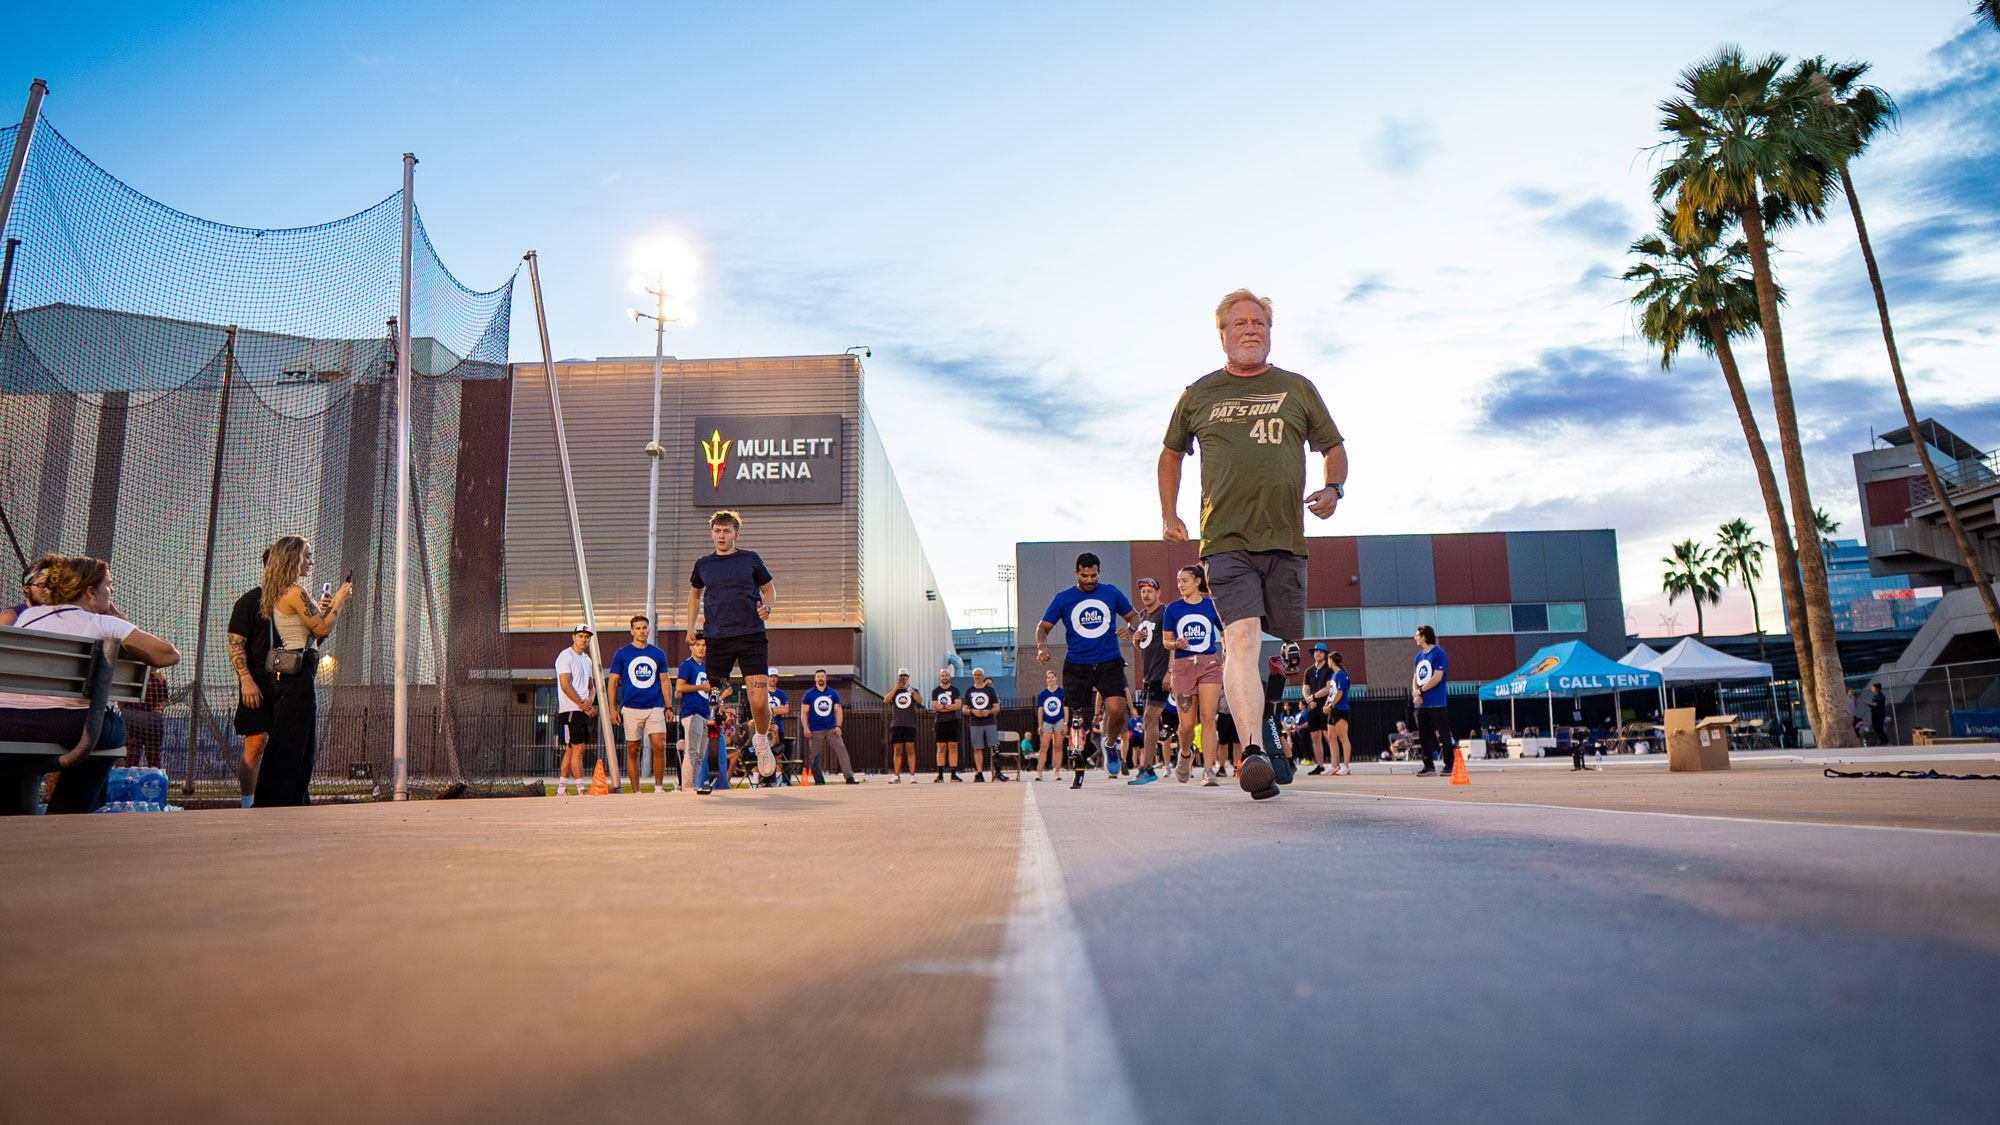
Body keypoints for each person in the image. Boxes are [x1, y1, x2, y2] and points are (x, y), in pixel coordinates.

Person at [1159, 288, 1345, 802]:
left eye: (1258, 322)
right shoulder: (1199, 394)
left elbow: (1332, 446)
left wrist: (1334, 488)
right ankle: (1254, 754)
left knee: (1283, 649)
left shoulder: (1296, 388)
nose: (1250, 329)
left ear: (1269, 330)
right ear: (1221, 335)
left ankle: (1265, 726)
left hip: (1285, 539)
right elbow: (1171, 454)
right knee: (1241, 639)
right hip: (1226, 540)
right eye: (1239, 323)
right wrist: (1169, 512)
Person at [0, 555, 180, 815]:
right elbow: (168, 655)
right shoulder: (103, 623)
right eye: (108, 584)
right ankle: (67, 809)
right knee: (112, 728)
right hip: (66, 726)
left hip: (5, 723)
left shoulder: (23, 618)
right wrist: (118, 619)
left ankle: (10, 811)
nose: (112, 590)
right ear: (90, 592)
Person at [252, 537, 351, 809]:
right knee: (293, 747)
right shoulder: (295, 592)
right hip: (297, 681)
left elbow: (314, 637)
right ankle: (275, 805)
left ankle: (291, 802)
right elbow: (323, 628)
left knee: (299, 747)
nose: (311, 561)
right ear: (292, 558)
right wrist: (340, 601)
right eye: (307, 556)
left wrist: (327, 608)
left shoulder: (284, 592)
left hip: (298, 676)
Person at [1034, 551, 1141, 790]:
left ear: (1099, 572)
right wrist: (1042, 646)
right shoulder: (1063, 598)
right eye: (1084, 576)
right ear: (1076, 573)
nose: (1090, 580)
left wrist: (1130, 630)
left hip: (1109, 661)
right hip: (1077, 664)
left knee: (1117, 710)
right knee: (1077, 719)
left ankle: (1110, 745)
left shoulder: (1111, 592)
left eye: (1094, 575)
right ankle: (1078, 762)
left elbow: (1134, 616)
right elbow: (1043, 627)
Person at [686, 510, 778, 782]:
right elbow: (694, 595)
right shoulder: (703, 564)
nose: (721, 535)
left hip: (751, 636)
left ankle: (760, 740)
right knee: (715, 702)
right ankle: (711, 768)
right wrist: (690, 626)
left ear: (736, 534)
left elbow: (769, 589)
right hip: (718, 639)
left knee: (759, 701)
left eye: (727, 531)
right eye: (717, 530)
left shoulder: (750, 559)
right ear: (711, 533)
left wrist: (768, 607)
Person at [225, 549, 279, 807]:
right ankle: (247, 804)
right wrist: (246, 679)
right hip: (258, 682)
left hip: (287, 684)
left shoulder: (295, 601)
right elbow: (235, 643)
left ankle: (277, 801)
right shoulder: (249, 601)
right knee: (257, 742)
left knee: (283, 747)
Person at [1163, 563, 1225, 785]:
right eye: (1178, 581)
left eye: (1185, 580)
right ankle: (1185, 753)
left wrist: (1225, 653)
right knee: (1187, 724)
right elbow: (1166, 641)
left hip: (1209, 664)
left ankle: (1208, 770)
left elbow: (1224, 631)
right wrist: (1175, 643)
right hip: (1183, 666)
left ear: (1197, 581)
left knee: (1208, 718)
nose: (1180, 585)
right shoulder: (1172, 609)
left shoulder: (1212, 605)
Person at [608, 615, 669, 794]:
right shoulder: (622, 653)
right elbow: (612, 682)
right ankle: (636, 792)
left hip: (654, 706)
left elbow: (665, 681)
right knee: (633, 749)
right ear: (632, 631)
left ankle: (658, 788)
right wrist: (612, 709)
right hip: (631, 708)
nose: (642, 631)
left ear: (649, 630)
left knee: (660, 745)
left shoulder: (658, 653)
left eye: (644, 628)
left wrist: (668, 706)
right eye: (638, 628)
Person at [1129, 576, 1170, 785]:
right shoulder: (1142, 615)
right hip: (1148, 676)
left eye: (1150, 591)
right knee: (1152, 722)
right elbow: (1142, 645)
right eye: (1143, 591)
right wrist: (1135, 640)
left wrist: (1170, 671)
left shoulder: (1165, 612)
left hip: (1161, 675)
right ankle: (1152, 764)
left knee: (1149, 720)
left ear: (1158, 593)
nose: (1145, 595)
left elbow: (1171, 641)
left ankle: (1147, 768)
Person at [553, 625, 597, 796]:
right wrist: (582, 705)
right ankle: (581, 788)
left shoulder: (587, 660)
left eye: (586, 637)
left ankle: (561, 789)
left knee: (572, 749)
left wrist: (590, 701)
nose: (584, 639)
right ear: (574, 637)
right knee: (578, 749)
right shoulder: (565, 656)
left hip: (582, 710)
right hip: (571, 709)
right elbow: (565, 685)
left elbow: (591, 686)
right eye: (580, 636)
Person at [801, 668, 858, 784]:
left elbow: (838, 710)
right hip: (815, 729)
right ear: (815, 679)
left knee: (841, 749)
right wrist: (806, 728)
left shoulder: (833, 693)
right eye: (818, 676)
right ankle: (819, 780)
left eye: (822, 676)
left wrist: (838, 726)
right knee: (815, 755)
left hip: (831, 728)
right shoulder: (809, 695)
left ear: (826, 678)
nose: (820, 678)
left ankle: (849, 777)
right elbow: (804, 713)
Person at [675, 633, 713, 793]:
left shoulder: (706, 666)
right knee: (692, 752)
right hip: (692, 713)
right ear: (691, 647)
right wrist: (700, 687)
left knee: (701, 755)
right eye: (698, 645)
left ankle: (695, 784)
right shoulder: (687, 665)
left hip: (706, 714)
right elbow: (679, 688)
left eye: (704, 645)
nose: (701, 648)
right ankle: (687, 785)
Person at [1411, 626, 1450, 775]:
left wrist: (1421, 691)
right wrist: (1416, 694)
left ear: (1424, 636)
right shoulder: (1418, 657)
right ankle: (1428, 766)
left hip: (1436, 702)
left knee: (1443, 734)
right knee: (1423, 736)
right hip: (1421, 704)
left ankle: (1449, 765)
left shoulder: (1439, 653)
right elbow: (1415, 677)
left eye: (1417, 635)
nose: (1415, 638)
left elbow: (1437, 677)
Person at [964, 667, 1008, 781]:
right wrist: (973, 711)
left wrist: (989, 711)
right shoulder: (969, 691)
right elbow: (964, 709)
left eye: (979, 675)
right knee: (977, 748)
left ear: (983, 676)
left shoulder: (990, 690)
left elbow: (997, 707)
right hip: (975, 723)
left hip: (989, 722)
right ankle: (979, 773)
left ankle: (998, 772)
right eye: (975, 675)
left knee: (995, 747)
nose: (977, 677)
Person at [1302, 644, 1335, 774]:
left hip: (1325, 705)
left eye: (1321, 652)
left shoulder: (1329, 670)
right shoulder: (1309, 671)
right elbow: (1305, 688)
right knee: (1315, 737)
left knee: (1328, 735)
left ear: (1325, 654)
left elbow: (1328, 688)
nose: (1318, 654)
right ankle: (1320, 765)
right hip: (1312, 707)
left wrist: (1313, 697)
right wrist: (1309, 700)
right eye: (1316, 652)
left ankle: (1335, 764)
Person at [887, 668, 922, 783]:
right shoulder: (895, 690)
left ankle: (912, 775)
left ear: (908, 677)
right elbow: (886, 700)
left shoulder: (912, 690)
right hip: (897, 724)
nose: (903, 678)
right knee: (897, 750)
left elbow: (920, 700)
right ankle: (896, 775)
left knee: (910, 749)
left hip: (909, 724)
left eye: (905, 676)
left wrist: (910, 689)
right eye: (901, 676)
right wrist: (895, 688)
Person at [1034, 669, 1066, 780]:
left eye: (1052, 677)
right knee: (1044, 746)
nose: (1051, 679)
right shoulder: (1043, 694)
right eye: (1048, 677)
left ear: (1056, 678)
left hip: (1059, 721)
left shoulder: (1061, 692)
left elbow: (1065, 707)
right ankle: (1039, 774)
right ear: (1046, 679)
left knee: (1058, 746)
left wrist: (1065, 723)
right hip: (1046, 722)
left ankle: (1057, 773)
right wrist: (1040, 725)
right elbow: (1040, 710)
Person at [931, 668, 963, 782]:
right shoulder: (936, 691)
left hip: (953, 721)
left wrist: (943, 707)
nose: (944, 677)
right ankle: (940, 775)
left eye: (946, 675)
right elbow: (935, 707)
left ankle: (953, 774)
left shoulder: (955, 690)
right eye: (942, 675)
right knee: (941, 748)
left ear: (950, 677)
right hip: (940, 722)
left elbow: (957, 706)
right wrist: (949, 706)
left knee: (953, 747)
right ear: (940, 677)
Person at [1327, 650, 1353, 774]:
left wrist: (1331, 705)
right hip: (1332, 710)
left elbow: (1340, 692)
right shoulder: (1334, 675)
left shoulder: (1341, 674)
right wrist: (1327, 705)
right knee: (1331, 737)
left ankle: (1346, 765)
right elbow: (1332, 692)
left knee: (1343, 737)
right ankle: (1334, 765)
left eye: (1328, 659)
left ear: (1332, 660)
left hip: (1341, 709)